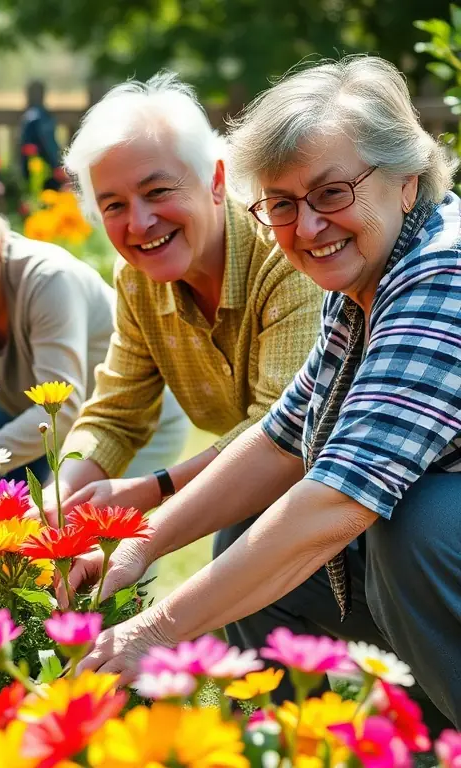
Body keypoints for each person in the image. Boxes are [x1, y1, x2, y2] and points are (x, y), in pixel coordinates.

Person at [71, 56, 461, 729]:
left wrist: (154, 631)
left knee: (415, 522)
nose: (306, 228)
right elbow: (282, 438)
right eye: (282, 204)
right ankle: (324, 737)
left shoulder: (441, 274)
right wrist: (140, 542)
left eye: (332, 193)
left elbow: (340, 495)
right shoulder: (362, 282)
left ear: (407, 181)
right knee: (256, 535)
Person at [41, 73, 324, 526]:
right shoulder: (137, 279)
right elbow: (117, 413)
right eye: (113, 205)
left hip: (342, 479)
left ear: (215, 181)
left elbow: (282, 426)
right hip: (248, 475)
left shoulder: (284, 253)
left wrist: (157, 488)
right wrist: (60, 497)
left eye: (157, 192)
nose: (139, 223)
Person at [0, 178, 190, 491]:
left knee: (65, 525)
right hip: (35, 427)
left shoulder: (48, 280)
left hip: (126, 427)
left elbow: (61, 409)